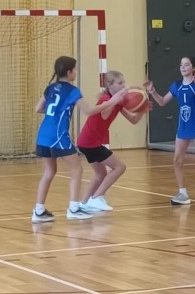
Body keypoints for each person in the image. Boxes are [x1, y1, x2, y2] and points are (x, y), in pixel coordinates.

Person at [32, 56, 126, 223]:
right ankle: (74, 208)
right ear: (69, 72)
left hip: (43, 135)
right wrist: (111, 101)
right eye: (74, 69)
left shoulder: (50, 88)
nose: (76, 72)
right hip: (58, 136)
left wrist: (56, 111)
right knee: (77, 169)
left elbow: (38, 108)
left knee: (49, 172)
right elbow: (89, 111)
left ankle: (38, 210)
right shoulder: (72, 90)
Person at [145, 56, 195, 206]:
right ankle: (183, 193)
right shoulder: (177, 86)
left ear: (194, 68)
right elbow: (162, 102)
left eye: (187, 65)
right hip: (183, 127)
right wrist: (152, 91)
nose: (183, 67)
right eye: (181, 65)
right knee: (177, 160)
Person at [76, 70, 149, 212]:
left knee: (101, 174)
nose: (124, 85)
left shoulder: (117, 102)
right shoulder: (105, 99)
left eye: (124, 82)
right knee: (120, 167)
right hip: (90, 142)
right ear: (109, 85)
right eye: (120, 83)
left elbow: (133, 120)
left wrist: (141, 109)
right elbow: (104, 115)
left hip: (87, 141)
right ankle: (97, 198)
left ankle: (84, 203)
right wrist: (114, 101)